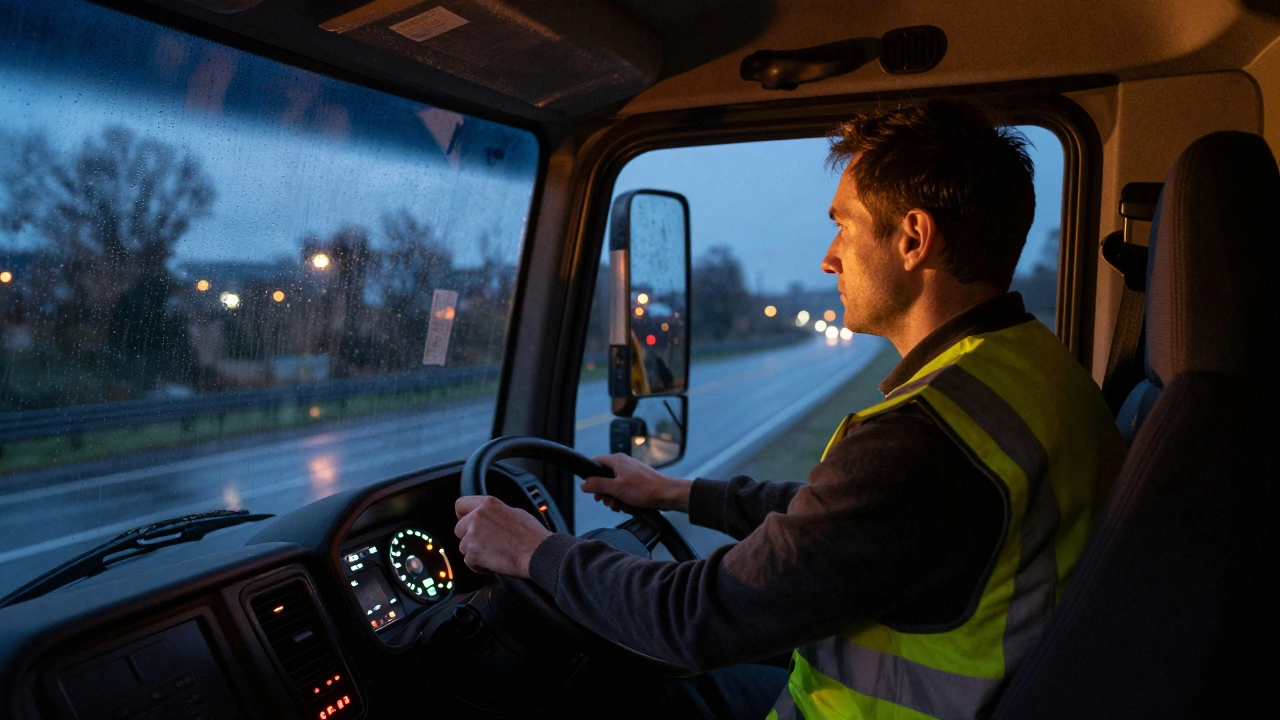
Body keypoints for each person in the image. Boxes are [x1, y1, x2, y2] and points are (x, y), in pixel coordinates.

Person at [454, 97, 1126, 720]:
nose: (830, 257)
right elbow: (848, 517)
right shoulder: (1032, 367)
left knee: (620, 687)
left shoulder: (921, 438)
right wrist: (677, 492)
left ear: (914, 238)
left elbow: (695, 620)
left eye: (843, 224)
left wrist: (534, 551)